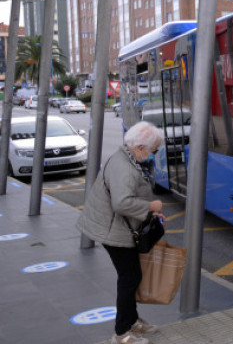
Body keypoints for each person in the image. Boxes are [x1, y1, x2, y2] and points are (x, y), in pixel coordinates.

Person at [76, 121, 165, 344]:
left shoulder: (125, 156)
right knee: (130, 277)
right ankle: (122, 332)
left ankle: (132, 321)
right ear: (141, 147)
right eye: (154, 149)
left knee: (131, 275)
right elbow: (122, 202)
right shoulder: (124, 167)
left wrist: (148, 214)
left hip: (115, 226)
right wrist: (151, 207)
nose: (154, 153)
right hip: (113, 230)